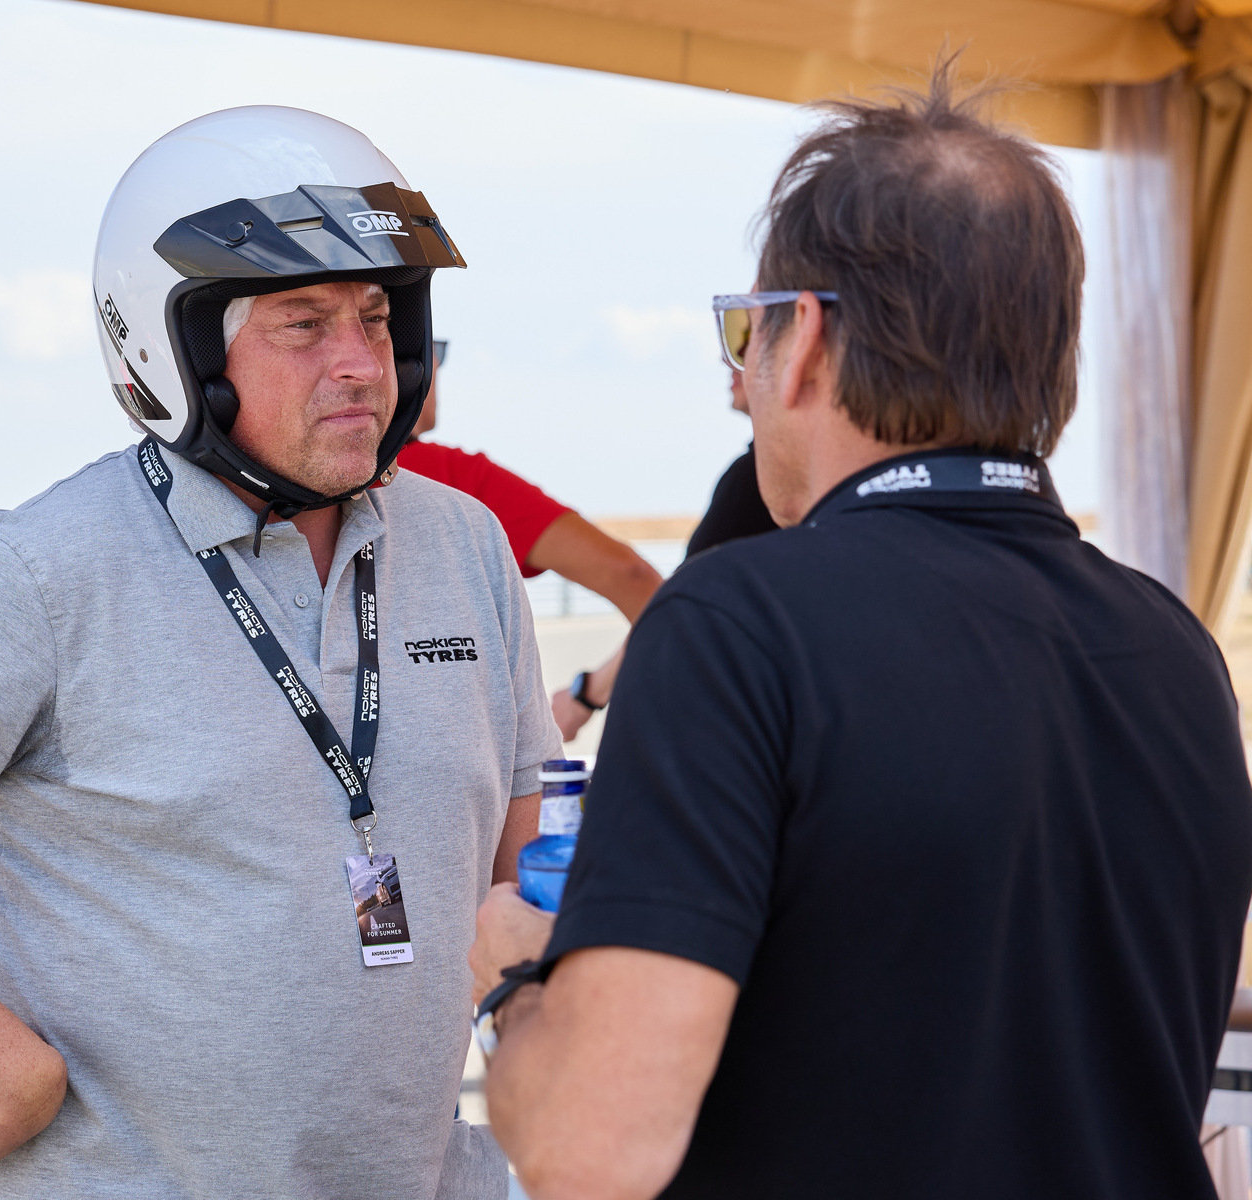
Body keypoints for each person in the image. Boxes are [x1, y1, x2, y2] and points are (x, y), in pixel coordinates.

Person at [0, 107, 559, 1199]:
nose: (360, 364)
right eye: (302, 324)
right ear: (172, 347)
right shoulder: (38, 572)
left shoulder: (466, 546)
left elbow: (520, 880)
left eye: (377, 317)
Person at [468, 64, 1252, 1200]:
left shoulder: (733, 628)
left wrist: (515, 984)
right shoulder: (1176, 648)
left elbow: (590, 1148)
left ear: (808, 339)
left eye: (745, 332)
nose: (740, 379)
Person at [397, 341, 664, 710]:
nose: (439, 365)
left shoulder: (319, 490)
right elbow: (636, 580)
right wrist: (590, 694)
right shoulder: (454, 478)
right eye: (432, 348)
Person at [551, 368, 777, 742]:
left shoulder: (754, 478)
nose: (728, 361)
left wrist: (587, 693)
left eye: (745, 341)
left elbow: (683, 604)